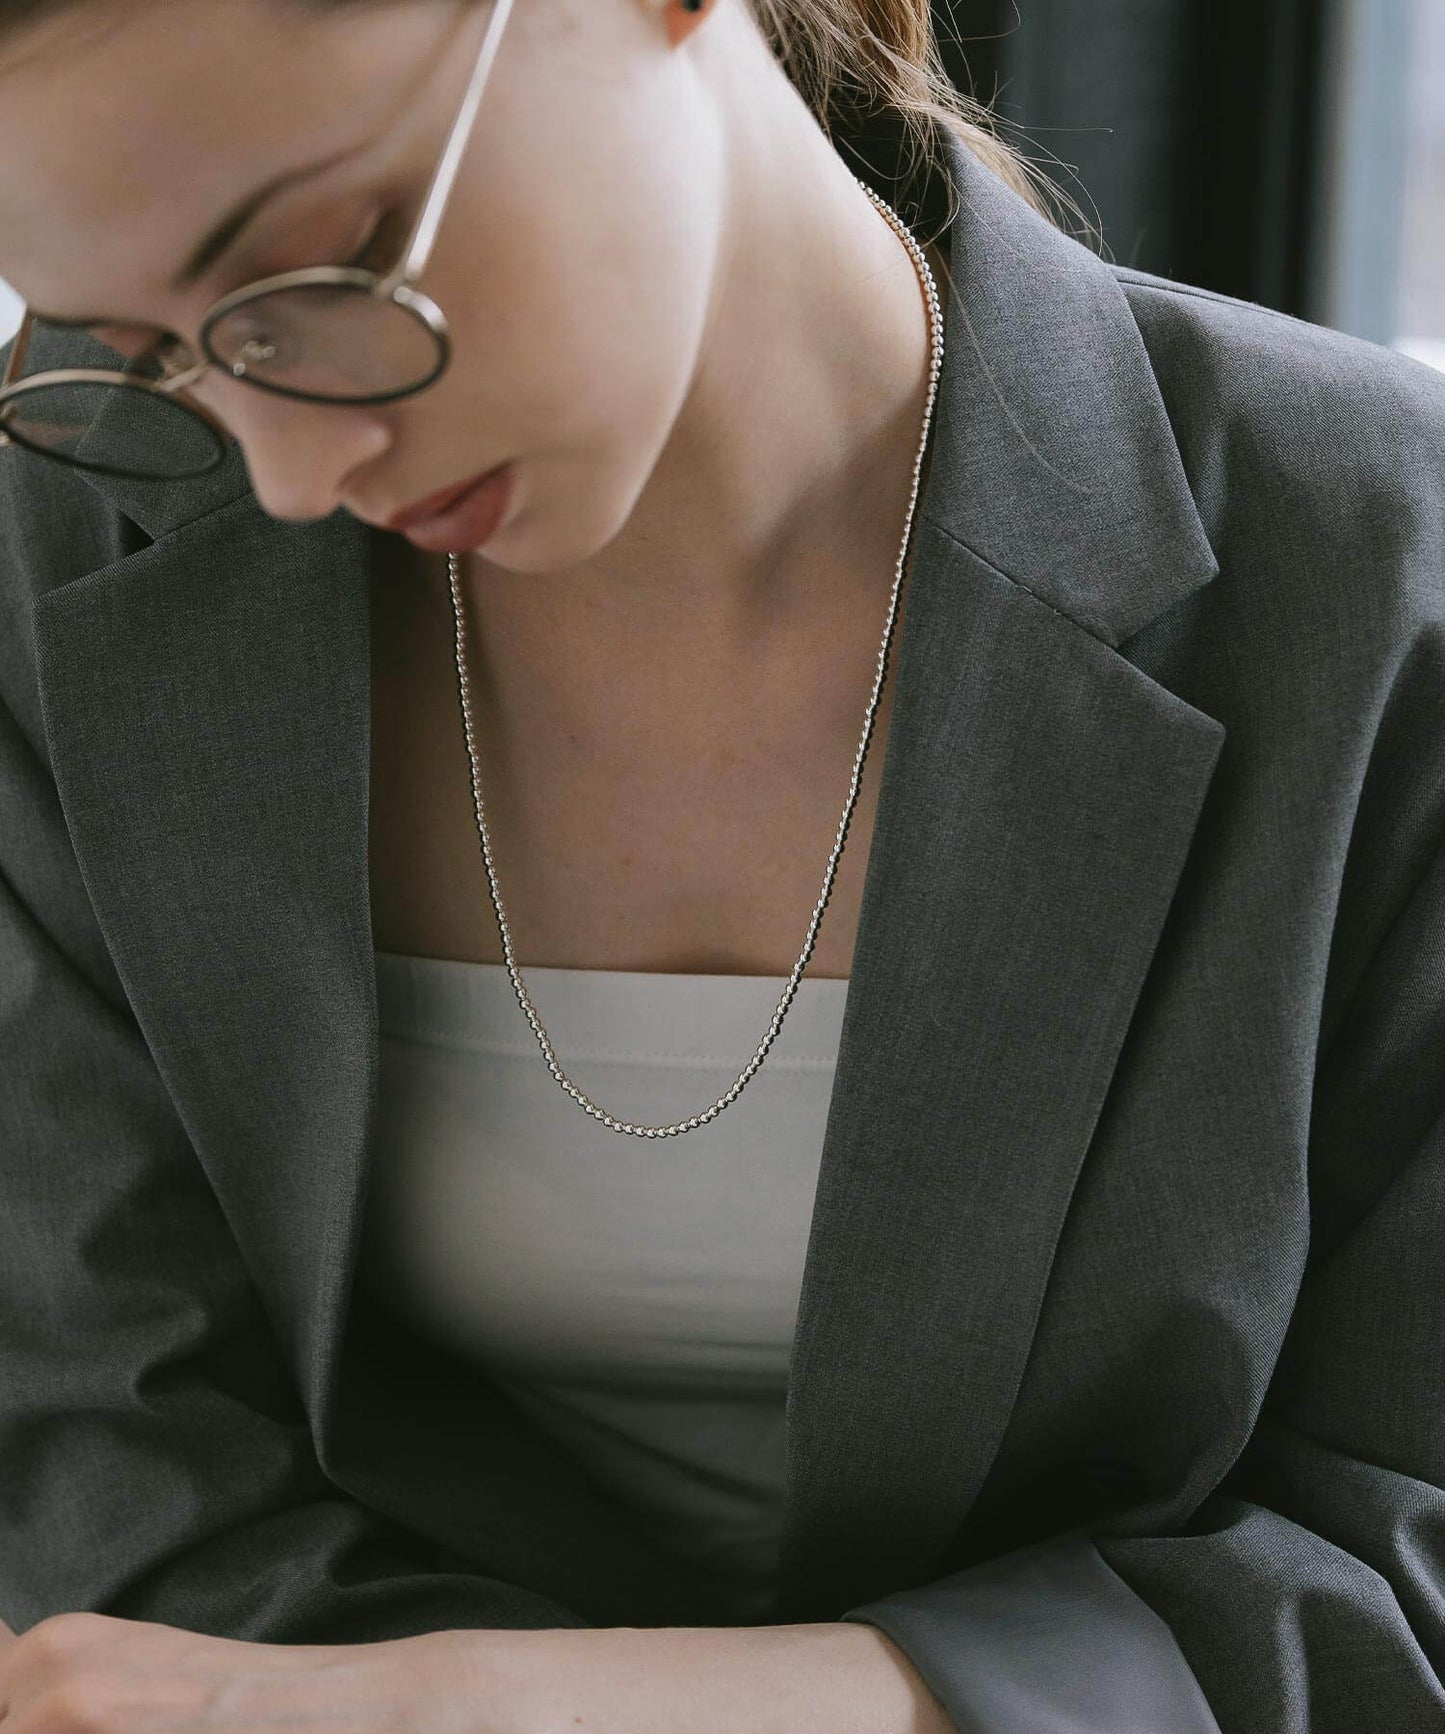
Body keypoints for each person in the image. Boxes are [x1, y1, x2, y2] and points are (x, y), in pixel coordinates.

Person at [0, 0, 1441, 1729]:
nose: (293, 468)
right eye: (150, 348)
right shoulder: (60, 570)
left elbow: (1403, 1575)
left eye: (329, 265)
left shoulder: (1379, 588)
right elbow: (103, 1476)